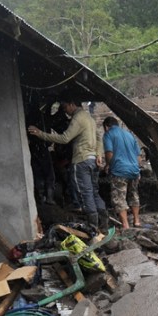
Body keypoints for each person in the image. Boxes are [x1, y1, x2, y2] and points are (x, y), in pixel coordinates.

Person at [28, 98, 107, 230]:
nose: (65, 111)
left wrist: (40, 133)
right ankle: (104, 223)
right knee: (94, 192)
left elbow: (65, 138)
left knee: (85, 193)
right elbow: (99, 138)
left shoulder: (77, 118)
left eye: (65, 107)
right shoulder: (89, 118)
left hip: (81, 160)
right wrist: (98, 154)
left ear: (72, 104)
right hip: (92, 160)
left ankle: (93, 227)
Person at [102, 115, 142, 229]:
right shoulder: (129, 135)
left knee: (119, 197)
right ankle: (137, 221)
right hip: (134, 170)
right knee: (134, 195)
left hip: (120, 170)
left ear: (106, 126)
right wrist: (136, 168)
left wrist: (108, 165)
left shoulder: (108, 134)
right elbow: (139, 157)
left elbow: (109, 154)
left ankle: (125, 225)